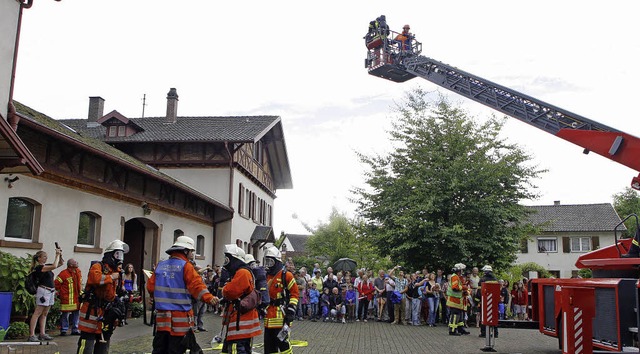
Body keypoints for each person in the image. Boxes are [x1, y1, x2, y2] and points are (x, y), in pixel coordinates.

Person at [147, 236, 219, 354]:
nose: (192, 254)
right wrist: (210, 298)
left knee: (160, 349)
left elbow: (150, 287)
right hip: (179, 322)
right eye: (191, 251)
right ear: (185, 251)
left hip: (162, 320)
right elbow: (197, 287)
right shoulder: (186, 266)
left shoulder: (160, 265)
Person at [77, 240, 128, 354]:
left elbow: (118, 289)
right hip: (92, 311)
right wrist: (111, 277)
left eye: (121, 255)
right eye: (117, 254)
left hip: (106, 312)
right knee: (87, 344)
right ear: (110, 255)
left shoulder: (118, 271)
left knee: (103, 343)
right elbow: (96, 279)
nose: (119, 258)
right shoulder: (97, 266)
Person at [220, 245, 262, 354]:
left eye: (227, 258)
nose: (226, 262)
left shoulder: (242, 272)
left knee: (237, 349)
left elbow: (230, 291)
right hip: (241, 320)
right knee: (243, 349)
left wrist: (224, 289)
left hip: (240, 321)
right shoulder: (241, 272)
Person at [263, 246, 299, 353]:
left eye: (271, 262)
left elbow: (294, 294)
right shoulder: (265, 276)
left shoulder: (286, 275)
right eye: (267, 261)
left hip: (281, 317)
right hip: (268, 319)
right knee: (269, 348)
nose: (268, 264)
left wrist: (291, 312)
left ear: (277, 261)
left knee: (284, 347)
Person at [28, 247, 63, 342]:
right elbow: (55, 266)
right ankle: (32, 334)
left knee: (45, 313)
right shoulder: (39, 268)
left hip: (50, 291)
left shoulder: (46, 266)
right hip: (43, 291)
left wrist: (60, 255)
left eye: (46, 257)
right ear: (38, 258)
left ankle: (42, 333)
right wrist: (57, 255)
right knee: (37, 312)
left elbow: (60, 263)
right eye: (44, 257)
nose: (45, 258)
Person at [55, 258, 82, 336]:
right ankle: (64, 329)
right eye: (75, 262)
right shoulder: (63, 274)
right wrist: (61, 292)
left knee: (76, 314)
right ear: (70, 265)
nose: (77, 262)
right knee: (65, 314)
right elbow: (56, 283)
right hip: (67, 299)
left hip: (76, 298)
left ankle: (75, 329)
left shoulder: (78, 272)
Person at [446, 263, 470, 336]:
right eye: (462, 270)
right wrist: (463, 288)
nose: (463, 271)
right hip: (454, 299)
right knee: (455, 315)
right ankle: (452, 330)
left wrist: (464, 291)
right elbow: (455, 287)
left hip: (458, 299)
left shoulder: (458, 277)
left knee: (460, 315)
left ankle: (460, 329)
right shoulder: (455, 277)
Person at [477, 265, 499, 338]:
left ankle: (484, 333)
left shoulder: (482, 279)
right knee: (494, 316)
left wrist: (477, 301)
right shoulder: (495, 279)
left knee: (484, 317)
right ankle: (495, 333)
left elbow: (479, 292)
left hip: (485, 301)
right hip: (494, 301)